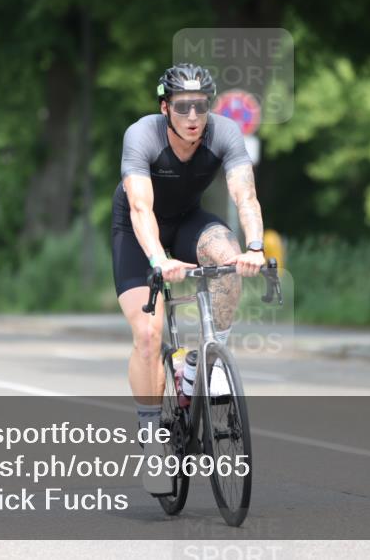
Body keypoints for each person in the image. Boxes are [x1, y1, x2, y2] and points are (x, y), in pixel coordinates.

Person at [111, 63, 266, 494]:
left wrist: (254, 247)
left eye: (201, 106)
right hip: (139, 232)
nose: (193, 116)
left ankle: (203, 363)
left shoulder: (224, 133)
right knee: (148, 333)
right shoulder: (142, 135)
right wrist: (159, 260)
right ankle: (152, 441)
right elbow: (141, 209)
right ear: (165, 108)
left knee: (228, 257)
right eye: (183, 107)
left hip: (188, 222)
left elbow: (244, 194)